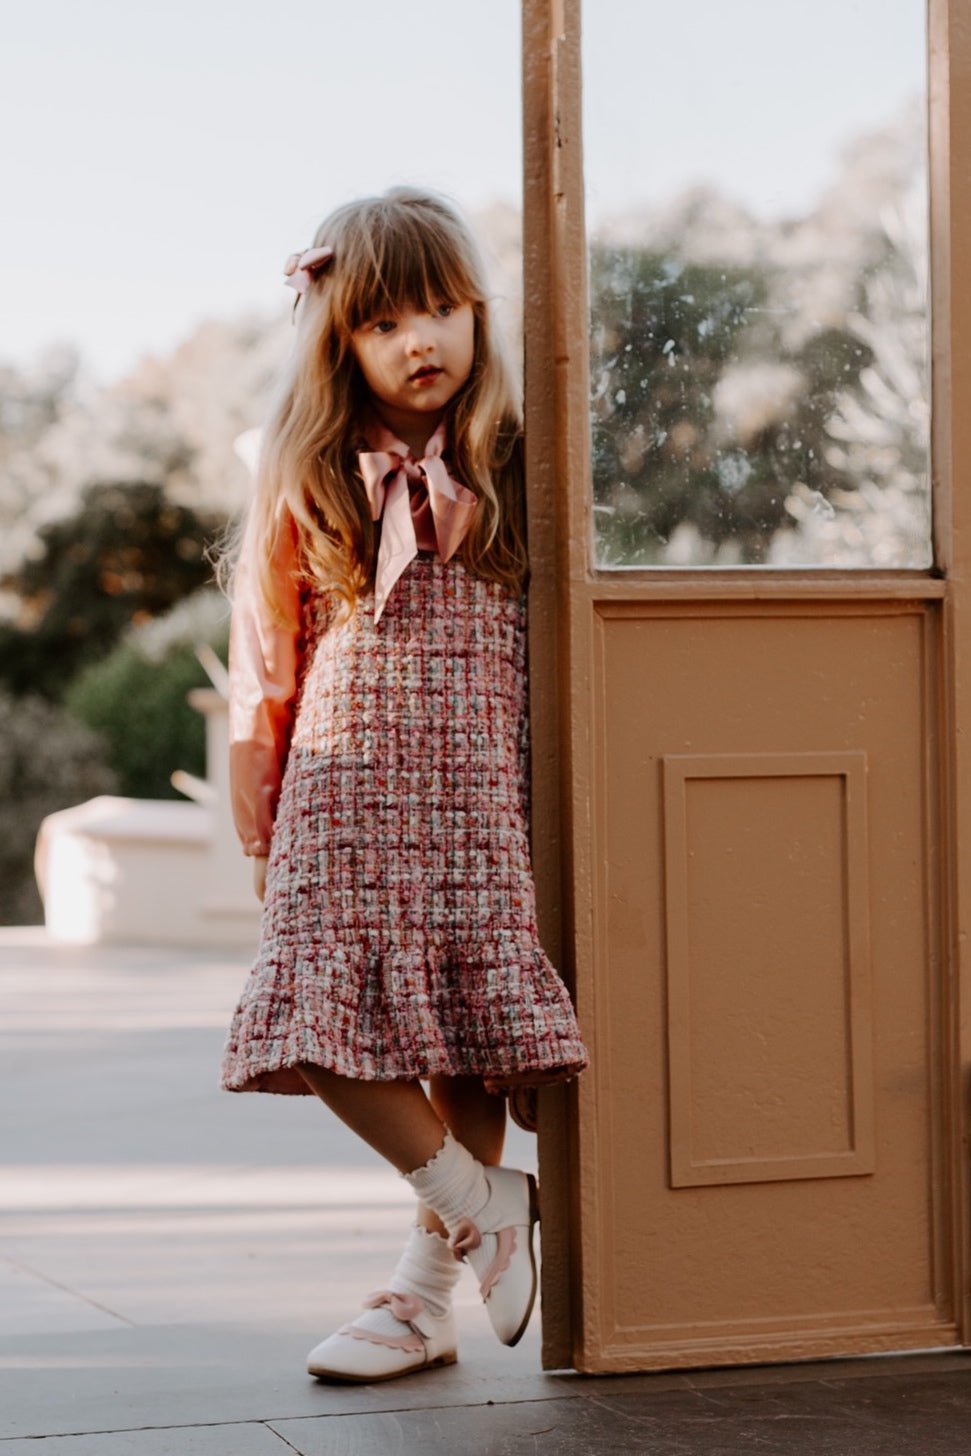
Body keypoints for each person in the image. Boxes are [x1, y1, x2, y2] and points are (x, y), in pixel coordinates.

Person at [221, 187, 588, 1383]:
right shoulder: (311, 474)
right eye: (385, 322)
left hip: (477, 790)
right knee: (313, 1014)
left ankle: (426, 1293)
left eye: (440, 308)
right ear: (342, 344)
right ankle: (481, 1205)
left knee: (466, 1030)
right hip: (340, 791)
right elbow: (263, 661)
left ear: (478, 312)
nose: (420, 339)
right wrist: (258, 815)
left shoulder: (518, 467)